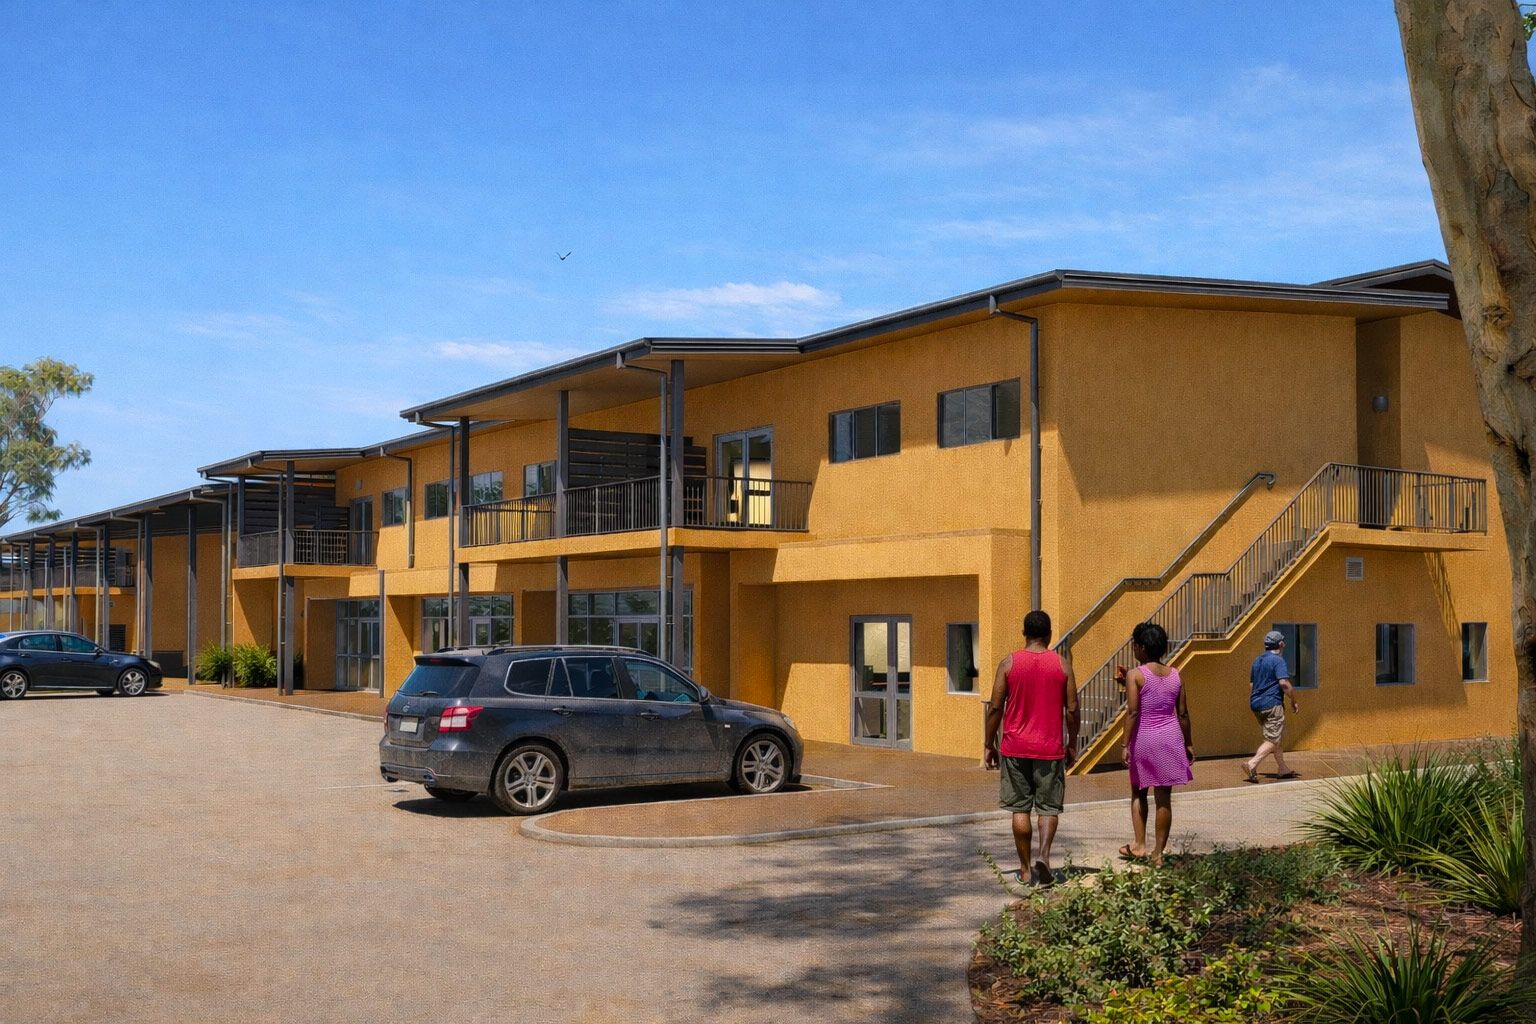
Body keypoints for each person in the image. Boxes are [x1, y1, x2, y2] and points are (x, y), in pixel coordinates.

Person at [984, 610, 1080, 889]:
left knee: (1020, 808)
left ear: (1023, 633)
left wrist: (988, 744)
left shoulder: (1008, 663)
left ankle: (1025, 871)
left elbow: (995, 707)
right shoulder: (1062, 665)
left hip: (1014, 748)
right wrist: (1072, 742)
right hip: (1050, 748)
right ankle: (1045, 858)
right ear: (1049, 634)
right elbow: (1072, 709)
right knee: (1048, 808)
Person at [1114, 622, 1193, 867]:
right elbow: (1182, 714)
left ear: (1142, 647)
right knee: (1164, 798)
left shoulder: (1135, 674)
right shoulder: (1176, 675)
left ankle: (1139, 845)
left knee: (1139, 791)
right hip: (1170, 738)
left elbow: (1133, 712)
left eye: (1135, 645)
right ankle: (1158, 854)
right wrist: (1188, 744)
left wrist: (1125, 743)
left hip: (1145, 738)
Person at [1243, 629, 1299, 782]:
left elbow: (1252, 684)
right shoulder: (1278, 661)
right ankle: (1252, 764)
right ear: (1280, 644)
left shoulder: (1257, 661)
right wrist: (1293, 700)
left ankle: (1283, 769)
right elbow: (1284, 683)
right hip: (1272, 704)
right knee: (1273, 739)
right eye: (1283, 642)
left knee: (1276, 737)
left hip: (1256, 704)